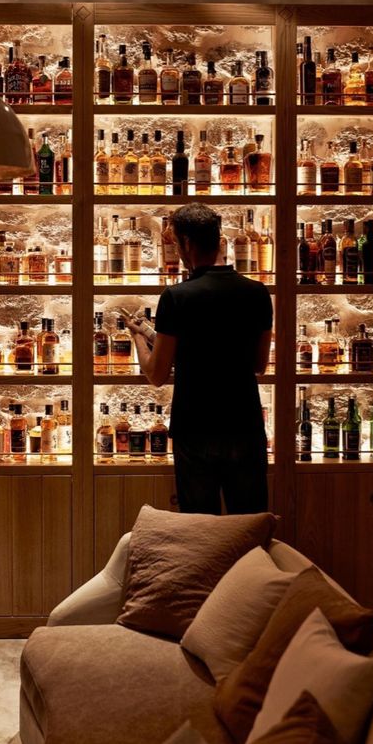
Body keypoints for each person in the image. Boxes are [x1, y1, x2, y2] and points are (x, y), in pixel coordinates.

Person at [125, 204, 272, 515]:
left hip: (196, 429)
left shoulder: (177, 297)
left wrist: (139, 336)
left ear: (187, 243)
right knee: (248, 528)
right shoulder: (257, 294)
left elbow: (156, 374)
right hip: (244, 426)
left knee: (198, 531)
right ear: (218, 240)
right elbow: (259, 364)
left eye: (177, 243)